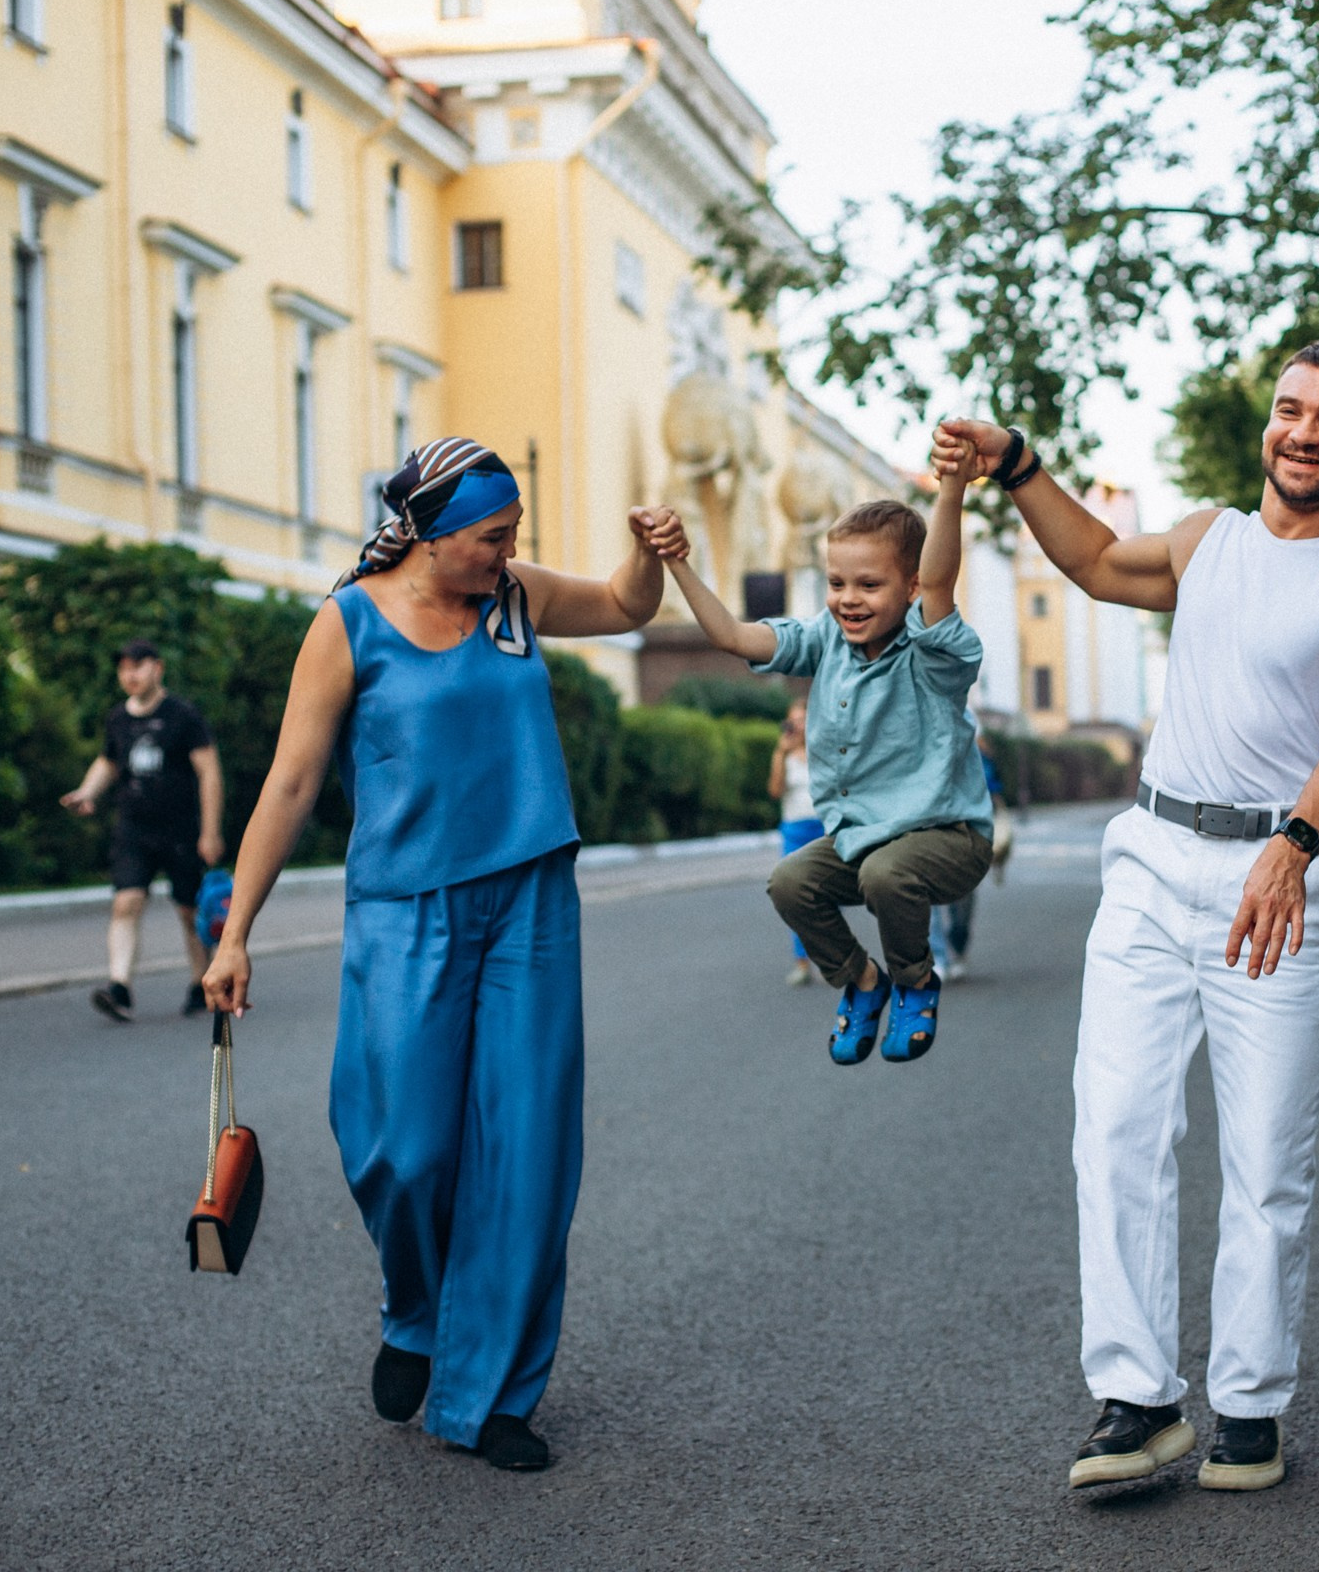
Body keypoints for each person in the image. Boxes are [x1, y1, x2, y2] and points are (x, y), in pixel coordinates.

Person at [934, 337, 1319, 1495]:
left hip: (1278, 881)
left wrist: (1294, 848)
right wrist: (1016, 464)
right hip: (1152, 859)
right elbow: (1097, 560)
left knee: (1263, 1159)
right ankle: (1139, 1400)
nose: (1305, 433)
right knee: (1116, 1128)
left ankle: (1248, 1409)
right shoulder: (1210, 539)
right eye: (1291, 409)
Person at [202, 437, 683, 1472]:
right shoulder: (348, 623)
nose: (507, 553)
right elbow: (290, 785)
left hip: (530, 899)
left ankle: (491, 1394)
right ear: (424, 531)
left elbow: (626, 606)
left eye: (514, 535)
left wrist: (650, 554)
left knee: (526, 1148)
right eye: (490, 537)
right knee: (399, 1144)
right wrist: (236, 930)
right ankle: (415, 1310)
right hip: (404, 906)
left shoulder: (513, 599)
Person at [659, 466, 994, 1065]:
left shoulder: (931, 651)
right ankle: (864, 983)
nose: (847, 598)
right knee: (791, 881)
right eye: (837, 582)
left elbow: (942, 575)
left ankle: (916, 982)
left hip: (948, 839)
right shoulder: (825, 639)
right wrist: (680, 563)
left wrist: (951, 489)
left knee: (887, 874)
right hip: (865, 842)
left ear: (912, 589)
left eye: (869, 585)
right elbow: (734, 637)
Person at [60, 640, 226, 1021]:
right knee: (126, 902)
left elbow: (209, 772)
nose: (130, 674)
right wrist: (87, 792)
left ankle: (201, 981)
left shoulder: (183, 715)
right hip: (133, 828)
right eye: (123, 668)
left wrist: (211, 831)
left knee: (189, 909)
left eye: (138, 665)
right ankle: (119, 987)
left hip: (181, 829)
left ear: (158, 668)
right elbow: (108, 762)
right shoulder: (118, 718)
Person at [929, 730, 1006, 982]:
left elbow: (991, 785)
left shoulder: (976, 755)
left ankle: (958, 948)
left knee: (962, 898)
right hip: (932, 831)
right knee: (927, 895)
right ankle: (938, 957)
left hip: (968, 833)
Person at [769, 700, 826, 985]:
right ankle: (802, 962)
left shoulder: (823, 749)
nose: (799, 726)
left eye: (804, 719)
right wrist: (780, 753)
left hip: (823, 828)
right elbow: (775, 790)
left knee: (827, 897)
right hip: (795, 830)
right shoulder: (784, 754)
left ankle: (831, 959)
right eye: (794, 720)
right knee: (795, 895)